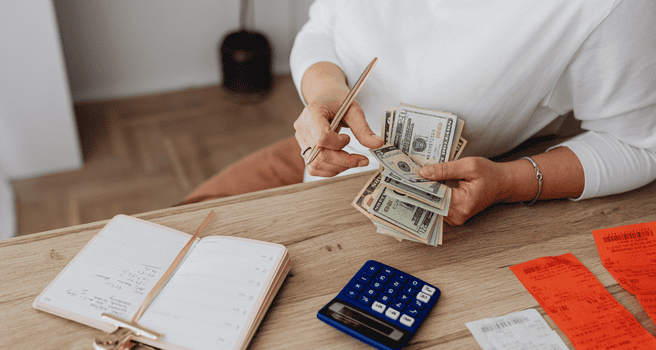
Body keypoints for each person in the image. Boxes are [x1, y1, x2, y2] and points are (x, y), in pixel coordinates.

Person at [181, 0, 656, 226]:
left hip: (422, 209)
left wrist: (508, 183)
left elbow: (638, 145)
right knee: (172, 228)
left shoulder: (610, 9)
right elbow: (323, 24)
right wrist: (324, 91)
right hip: (321, 154)